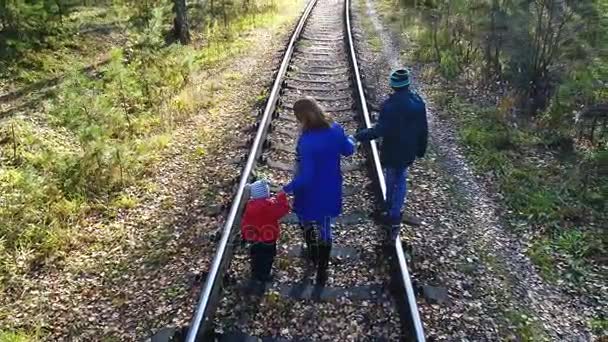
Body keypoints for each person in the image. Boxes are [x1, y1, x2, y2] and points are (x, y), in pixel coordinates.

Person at [283, 97, 356, 286]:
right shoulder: (336, 129)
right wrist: (351, 139)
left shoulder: (306, 141)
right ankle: (322, 270)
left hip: (309, 192)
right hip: (331, 188)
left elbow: (306, 176)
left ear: (302, 118)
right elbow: (348, 150)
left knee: (305, 221)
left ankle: (313, 254)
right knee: (325, 226)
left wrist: (287, 188)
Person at [354, 68, 428, 238]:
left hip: (392, 149)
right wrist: (421, 149)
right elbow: (423, 129)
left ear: (393, 86)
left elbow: (380, 130)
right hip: (408, 150)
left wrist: (359, 136)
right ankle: (395, 213)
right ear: (407, 84)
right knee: (401, 178)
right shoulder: (418, 102)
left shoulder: (390, 106)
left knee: (392, 177)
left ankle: (389, 208)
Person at [241, 179, 290, 283]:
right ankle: (264, 275)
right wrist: (281, 196)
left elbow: (245, 222)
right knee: (267, 257)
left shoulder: (250, 206)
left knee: (256, 256)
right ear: (266, 193)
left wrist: (245, 235)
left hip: (254, 238)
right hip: (269, 237)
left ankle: (255, 273)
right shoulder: (270, 206)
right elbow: (284, 209)